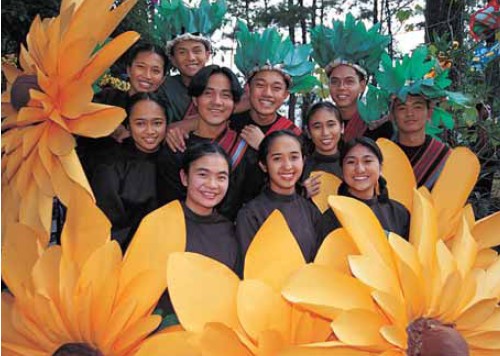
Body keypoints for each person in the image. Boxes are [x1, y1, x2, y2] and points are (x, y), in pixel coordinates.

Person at [156, 142, 241, 323]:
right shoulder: (161, 222)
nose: (212, 185)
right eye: (203, 175)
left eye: (221, 177)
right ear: (184, 177)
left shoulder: (230, 230)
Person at [157, 65, 248, 220]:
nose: (217, 102)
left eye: (225, 95)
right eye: (208, 93)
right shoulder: (177, 147)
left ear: (234, 103)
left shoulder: (244, 150)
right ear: (195, 100)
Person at [89, 92, 167, 251]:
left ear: (167, 124)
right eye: (140, 124)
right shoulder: (110, 166)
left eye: (157, 123)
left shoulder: (175, 160)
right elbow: (105, 225)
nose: (150, 131)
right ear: (128, 126)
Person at [78, 42, 168, 177]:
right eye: (141, 67)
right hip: (87, 179)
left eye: (155, 71)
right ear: (128, 70)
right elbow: (75, 115)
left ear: (162, 79)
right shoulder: (107, 98)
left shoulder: (163, 112)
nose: (147, 75)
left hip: (135, 190)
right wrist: (110, 127)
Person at [235, 130, 322, 263]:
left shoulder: (311, 211)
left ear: (303, 161)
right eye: (277, 158)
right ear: (263, 165)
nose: (287, 166)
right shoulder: (250, 215)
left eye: (294, 157)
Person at [310, 13, 393, 142]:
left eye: (349, 81)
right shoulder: (320, 127)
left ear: (362, 85)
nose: (341, 87)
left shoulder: (379, 126)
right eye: (335, 82)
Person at [319, 137, 410, 241]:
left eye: (367, 161)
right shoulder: (332, 218)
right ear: (342, 170)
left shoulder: (398, 213)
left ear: (380, 168)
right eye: (351, 162)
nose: (360, 169)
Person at [392, 95, 451, 190]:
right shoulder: (381, 154)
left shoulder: (444, 156)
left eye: (417, 107)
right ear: (392, 116)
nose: (410, 113)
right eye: (402, 108)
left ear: (429, 114)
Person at [302, 101, 344, 198]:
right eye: (317, 127)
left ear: (342, 127)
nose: (325, 132)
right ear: (308, 132)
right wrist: (301, 193)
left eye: (331, 125)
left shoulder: (352, 163)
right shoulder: (300, 167)